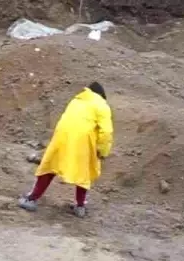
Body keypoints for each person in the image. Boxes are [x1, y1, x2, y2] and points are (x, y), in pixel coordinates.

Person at [17, 82, 114, 218]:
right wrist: (103, 151)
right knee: (83, 174)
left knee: (49, 167)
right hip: (82, 142)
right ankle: (80, 206)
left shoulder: (76, 100)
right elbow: (106, 132)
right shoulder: (102, 106)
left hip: (61, 137)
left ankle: (32, 198)